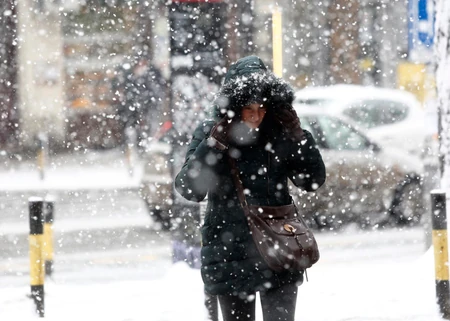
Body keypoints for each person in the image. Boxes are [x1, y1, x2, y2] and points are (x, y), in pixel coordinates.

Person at [174, 56, 326, 321]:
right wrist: (215, 144)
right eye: (248, 108)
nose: (256, 115)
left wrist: (299, 138)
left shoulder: (281, 134)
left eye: (262, 107)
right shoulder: (211, 133)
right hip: (228, 254)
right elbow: (189, 188)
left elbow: (311, 180)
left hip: (278, 250)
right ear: (234, 106)